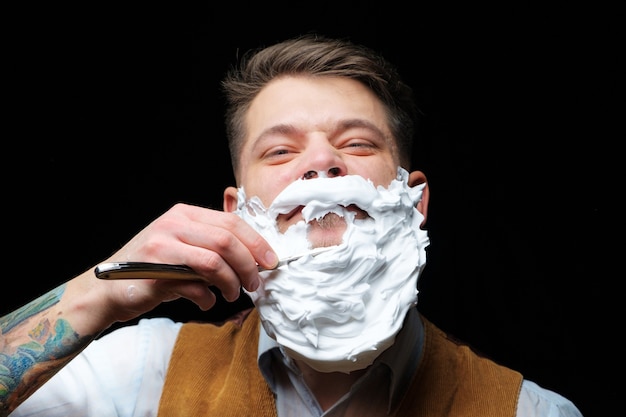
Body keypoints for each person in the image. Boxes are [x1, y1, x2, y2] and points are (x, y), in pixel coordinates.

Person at [0, 34, 583, 417]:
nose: (321, 163)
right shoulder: (135, 377)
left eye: (356, 143)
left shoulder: (530, 411)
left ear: (414, 200)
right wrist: (98, 295)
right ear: (236, 212)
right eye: (280, 153)